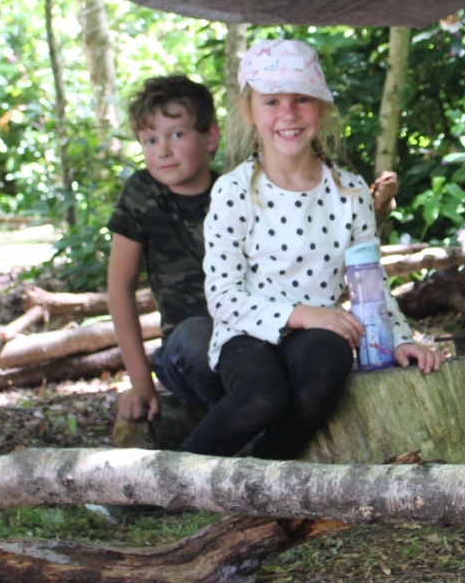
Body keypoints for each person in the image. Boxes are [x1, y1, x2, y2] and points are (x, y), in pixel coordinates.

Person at [191, 38, 443, 458]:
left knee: (329, 360)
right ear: (248, 110)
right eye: (272, 101)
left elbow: (370, 282)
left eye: (302, 99)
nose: (288, 113)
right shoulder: (233, 191)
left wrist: (399, 339)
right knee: (262, 397)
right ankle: (167, 477)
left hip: (317, 336)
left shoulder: (350, 192)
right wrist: (302, 313)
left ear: (322, 108)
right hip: (246, 334)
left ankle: (267, 467)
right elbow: (222, 297)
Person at [106, 75, 224, 429]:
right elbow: (120, 287)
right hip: (185, 352)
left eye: (177, 135)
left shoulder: (233, 192)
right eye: (150, 140)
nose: (163, 151)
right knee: (199, 339)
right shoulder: (142, 194)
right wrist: (140, 382)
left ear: (210, 137)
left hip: (244, 339)